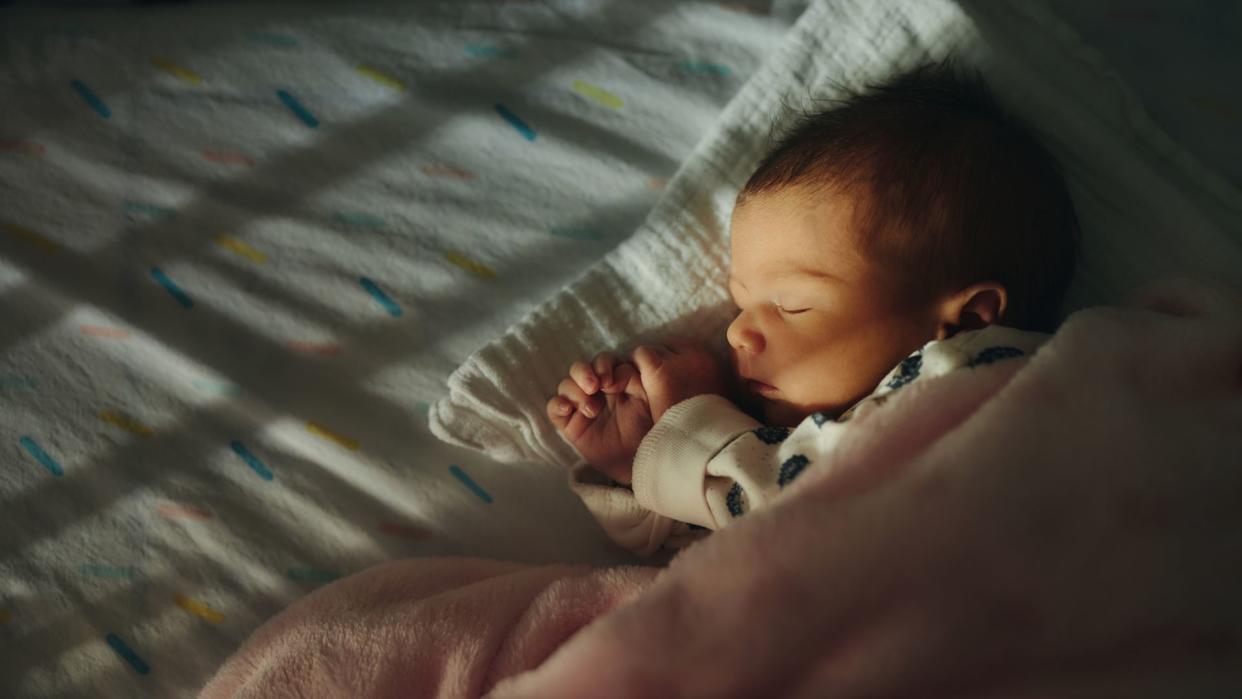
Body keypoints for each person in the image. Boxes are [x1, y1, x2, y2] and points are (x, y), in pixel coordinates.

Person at [546, 61, 1080, 555]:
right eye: (740, 304)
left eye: (792, 305)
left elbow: (798, 521)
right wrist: (639, 458)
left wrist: (694, 426)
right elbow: (722, 559)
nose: (736, 333)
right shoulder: (814, 436)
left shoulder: (980, 388)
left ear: (967, 320)